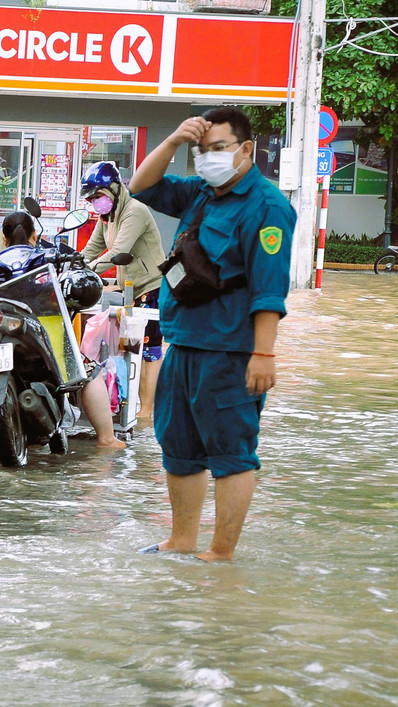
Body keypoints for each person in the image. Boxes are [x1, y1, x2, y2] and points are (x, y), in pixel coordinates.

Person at [129, 106, 294, 562]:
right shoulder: (201, 192)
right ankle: (182, 539)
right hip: (182, 342)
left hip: (230, 350)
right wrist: (174, 141)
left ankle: (221, 554)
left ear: (245, 149)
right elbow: (141, 186)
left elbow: (269, 290)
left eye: (218, 149)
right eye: (203, 151)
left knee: (230, 451)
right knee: (177, 445)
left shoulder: (268, 207)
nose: (209, 158)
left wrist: (264, 353)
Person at [1, 211, 125, 450]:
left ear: (5, 239)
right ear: (34, 236)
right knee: (87, 370)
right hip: (42, 341)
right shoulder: (45, 259)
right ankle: (107, 439)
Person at [79, 161, 167, 421]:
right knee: (131, 348)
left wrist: (91, 269)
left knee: (150, 350)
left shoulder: (134, 211)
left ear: (115, 189)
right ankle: (135, 406)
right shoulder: (107, 217)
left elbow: (118, 252)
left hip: (152, 288)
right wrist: (73, 264)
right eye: (92, 198)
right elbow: (91, 250)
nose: (96, 202)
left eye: (99, 195)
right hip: (130, 292)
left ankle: (148, 411)